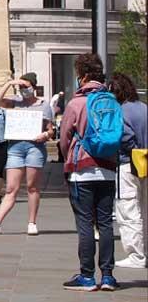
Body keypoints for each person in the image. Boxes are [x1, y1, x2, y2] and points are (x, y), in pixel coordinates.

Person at [59, 53, 118, 291]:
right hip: (108, 169)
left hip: (82, 170)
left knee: (85, 223)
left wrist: (66, 161)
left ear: (81, 75)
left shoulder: (76, 103)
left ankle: (86, 276)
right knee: (105, 223)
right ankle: (108, 276)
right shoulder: (112, 100)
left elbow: (64, 138)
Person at [0, 73, 53, 235]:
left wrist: (44, 135)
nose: (23, 90)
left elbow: (50, 130)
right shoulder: (15, 102)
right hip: (16, 148)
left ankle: (32, 222)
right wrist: (10, 83)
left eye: (26, 87)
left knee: (32, 187)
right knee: (11, 188)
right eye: (21, 87)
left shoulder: (44, 105)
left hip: (34, 148)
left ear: (33, 87)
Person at [109, 73, 146, 269]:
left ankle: (136, 255)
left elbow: (125, 137)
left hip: (127, 164)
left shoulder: (121, 111)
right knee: (143, 209)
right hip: (144, 161)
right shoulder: (143, 108)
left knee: (128, 209)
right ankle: (144, 252)